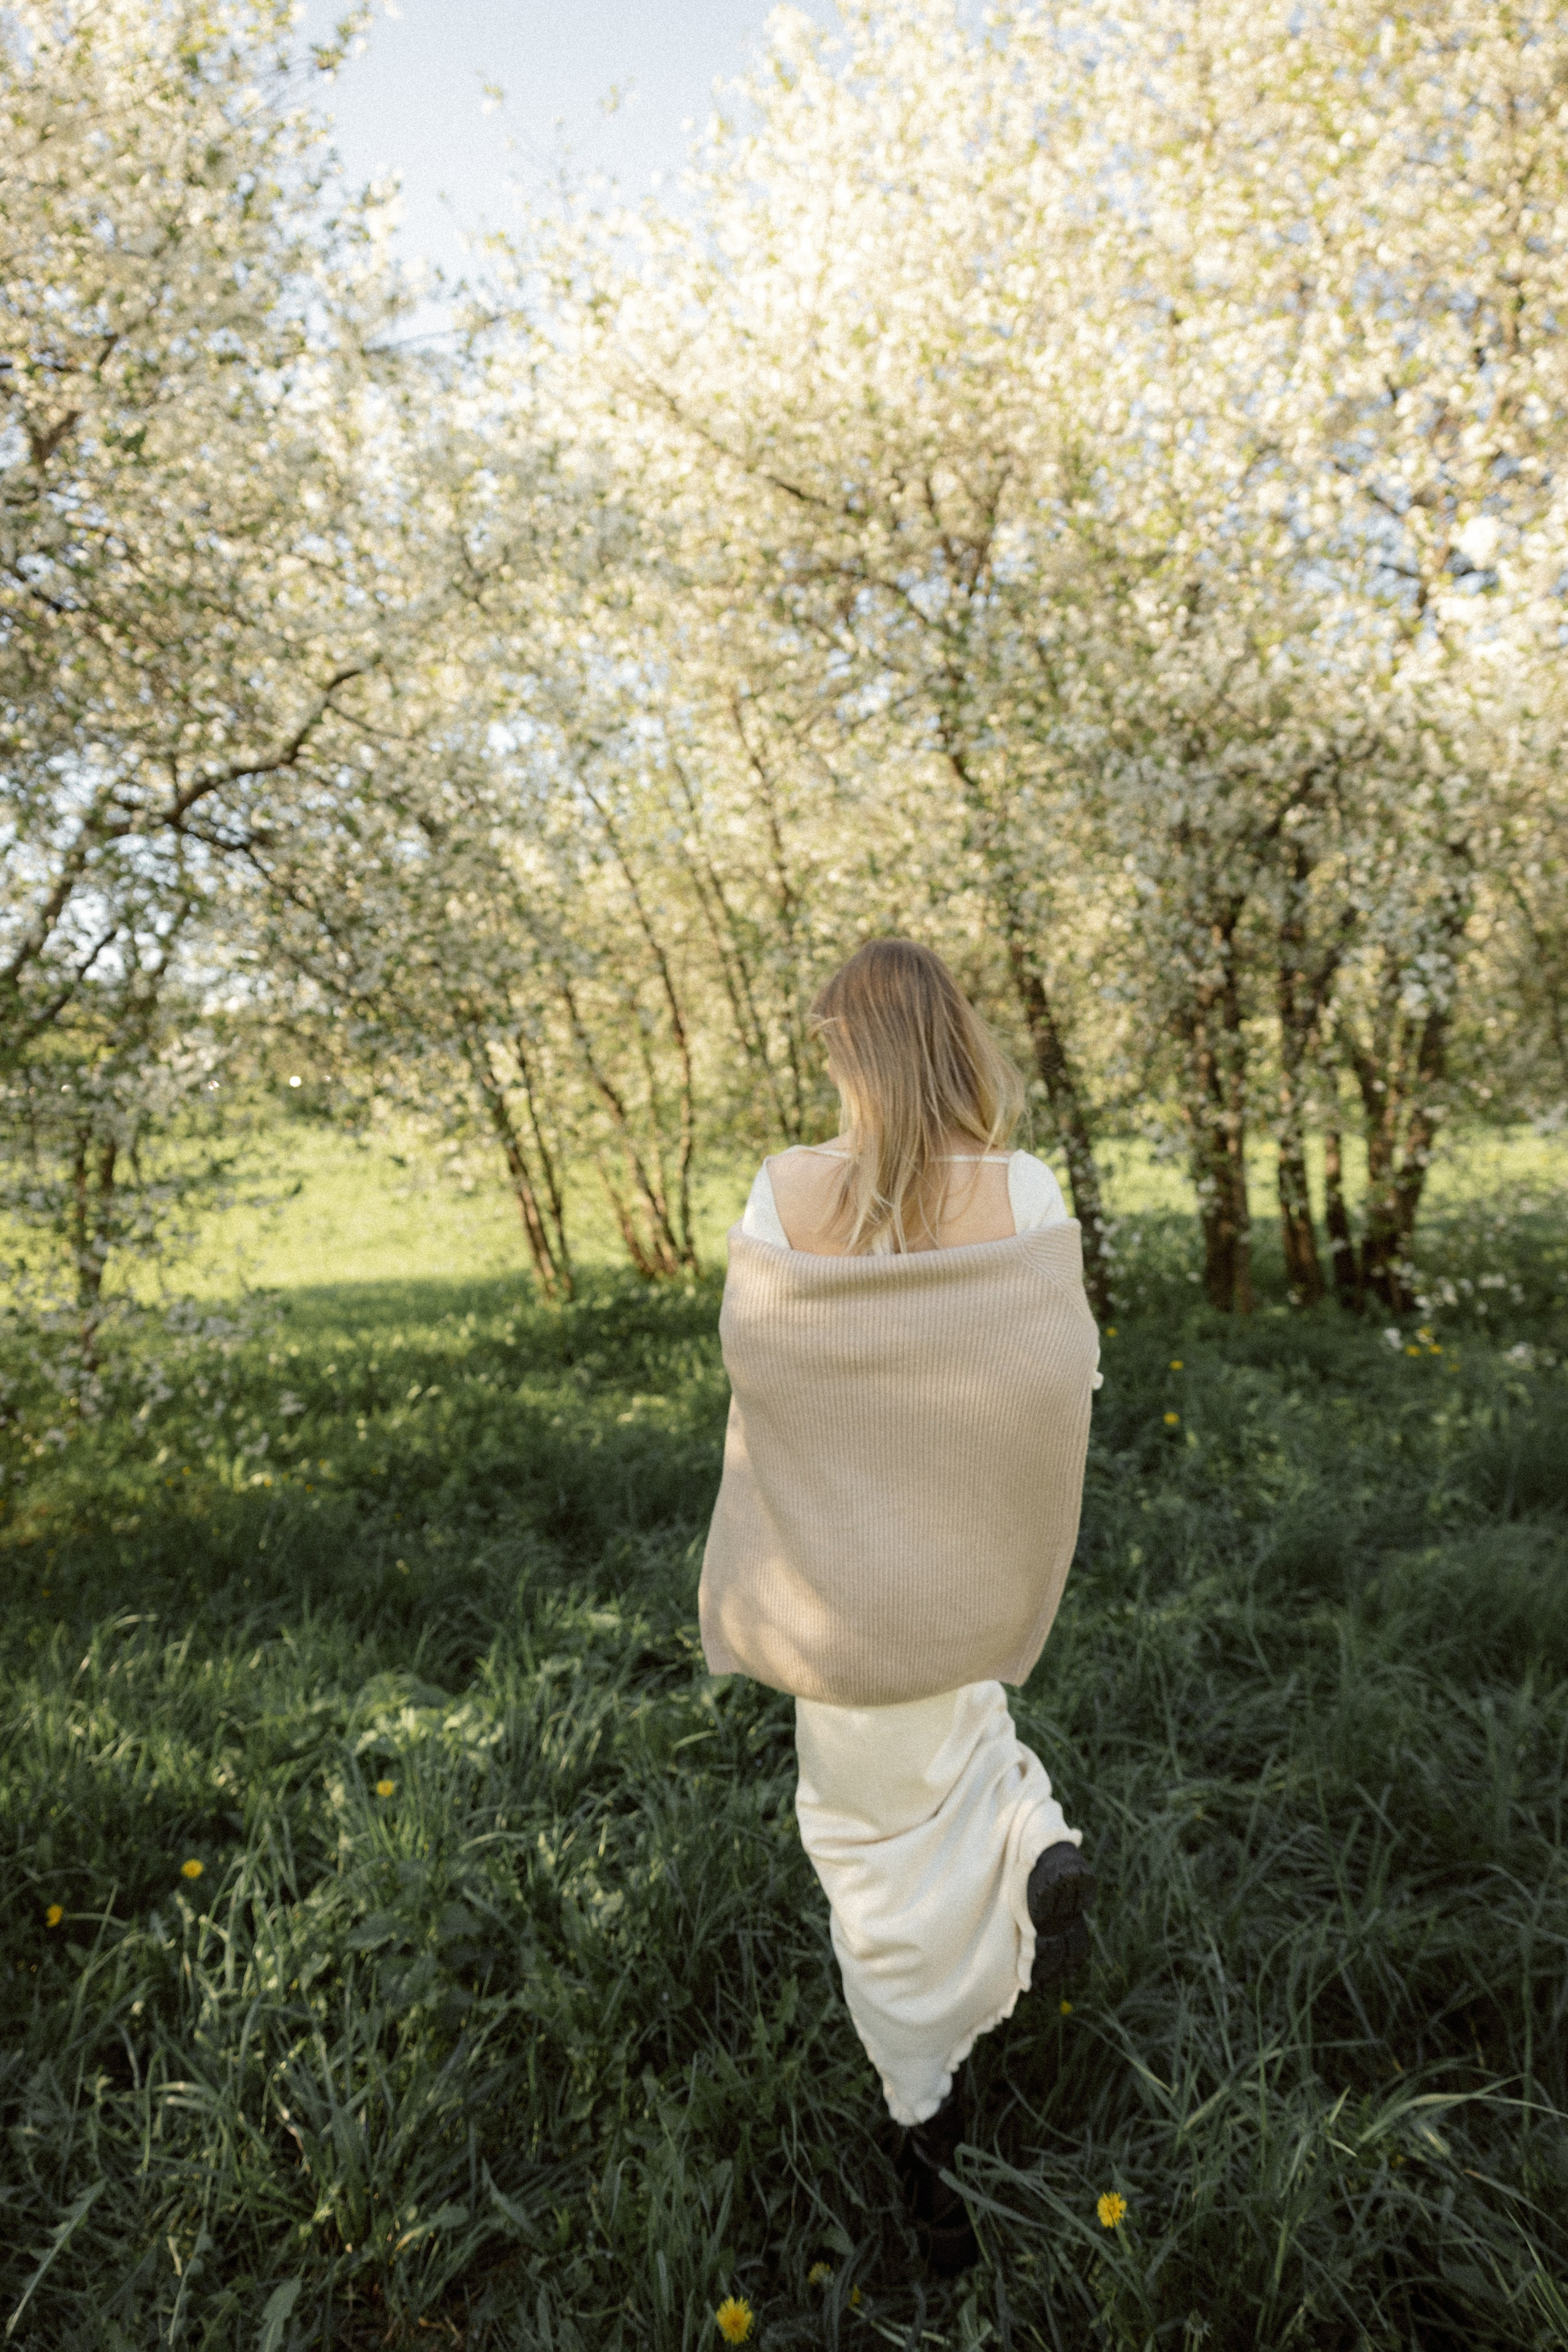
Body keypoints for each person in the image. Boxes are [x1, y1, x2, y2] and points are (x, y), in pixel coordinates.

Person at [698, 938, 1102, 2275]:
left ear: (841, 1050)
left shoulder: (778, 1191)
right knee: (968, 1729)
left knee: (865, 1849)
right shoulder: (1022, 1186)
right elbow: (1065, 1369)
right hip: (963, 1576)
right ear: (957, 1040)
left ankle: (920, 2136)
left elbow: (759, 1363)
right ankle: (1033, 1843)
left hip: (839, 1593)